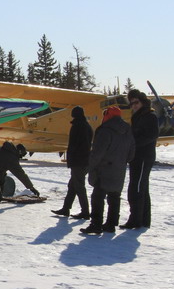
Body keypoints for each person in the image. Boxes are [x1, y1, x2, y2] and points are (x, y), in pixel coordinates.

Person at [81, 106, 135, 235]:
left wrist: (90, 165)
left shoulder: (105, 130)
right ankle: (111, 224)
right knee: (114, 197)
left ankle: (96, 224)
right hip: (119, 169)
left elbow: (98, 152)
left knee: (98, 197)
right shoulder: (128, 130)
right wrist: (121, 161)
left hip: (104, 169)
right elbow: (132, 152)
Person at [120, 89, 159, 229]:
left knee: (136, 188)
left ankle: (135, 220)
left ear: (142, 101)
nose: (134, 105)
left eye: (136, 102)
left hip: (144, 156)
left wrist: (134, 144)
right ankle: (143, 220)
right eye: (131, 104)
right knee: (141, 187)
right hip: (137, 156)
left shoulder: (150, 115)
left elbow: (152, 135)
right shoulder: (138, 115)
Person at [52, 105, 94, 219]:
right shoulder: (87, 126)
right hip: (85, 160)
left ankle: (85, 211)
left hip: (78, 161)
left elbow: (74, 145)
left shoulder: (77, 126)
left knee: (79, 186)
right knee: (73, 185)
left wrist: (72, 159)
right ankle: (66, 208)